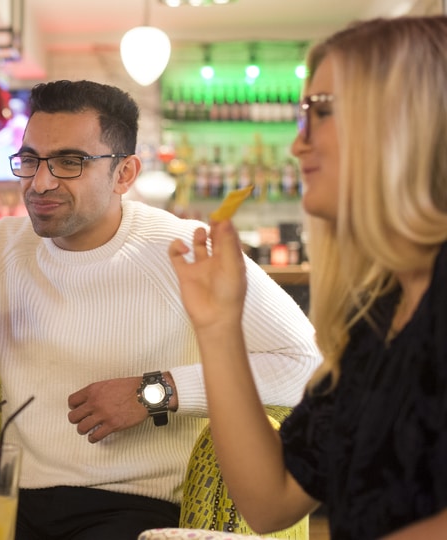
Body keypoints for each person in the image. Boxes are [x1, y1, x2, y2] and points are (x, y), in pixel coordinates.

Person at [0, 79, 321, 539]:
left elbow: (311, 368)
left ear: (125, 174)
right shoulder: (4, 245)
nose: (40, 182)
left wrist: (157, 392)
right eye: (30, 160)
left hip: (134, 509)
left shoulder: (185, 249)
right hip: (11, 502)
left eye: (70, 162)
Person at [168, 16, 447, 539]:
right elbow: (270, 501)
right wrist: (218, 324)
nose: (298, 145)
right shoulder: (379, 315)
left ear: (404, 122)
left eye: (319, 113)